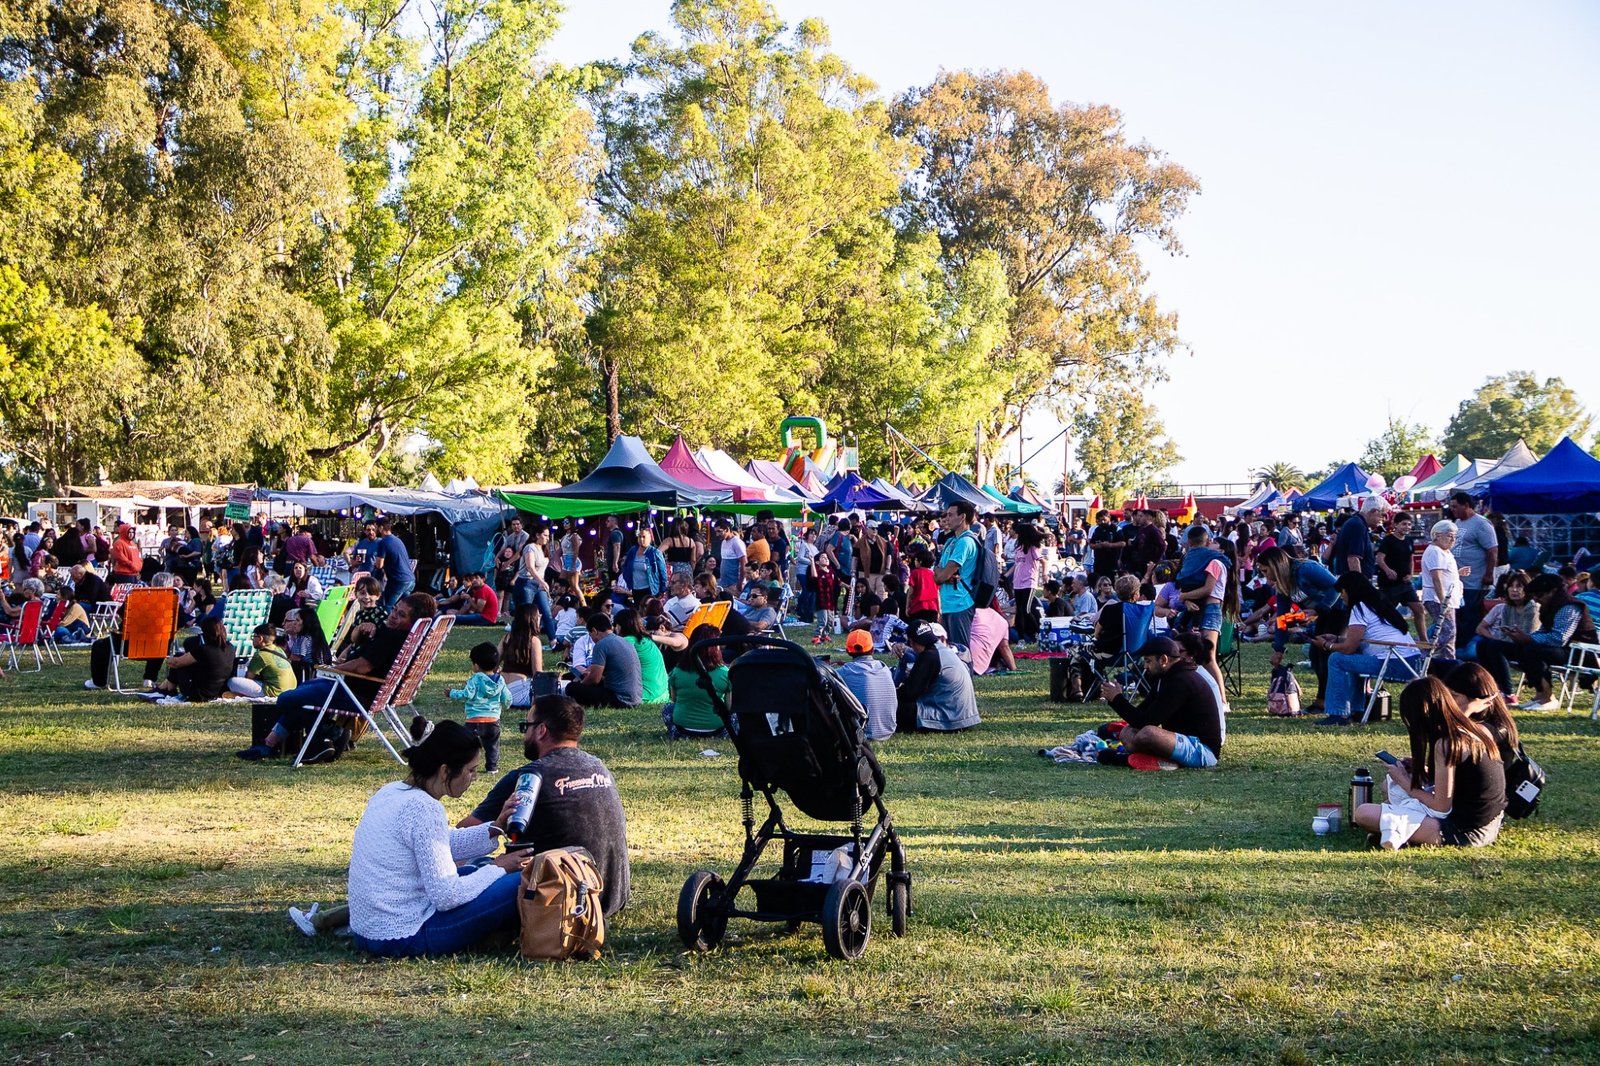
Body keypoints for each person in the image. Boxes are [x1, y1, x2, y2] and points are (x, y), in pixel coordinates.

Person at [346, 719, 527, 957]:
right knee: (521, 880)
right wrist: (499, 867)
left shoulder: (390, 791)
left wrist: (494, 828)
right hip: (403, 936)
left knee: (474, 873)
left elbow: (436, 844)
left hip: (368, 931)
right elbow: (447, 896)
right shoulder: (424, 807)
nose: (474, 778)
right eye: (470, 770)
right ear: (445, 771)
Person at [459, 695, 630, 917]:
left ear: (541, 730)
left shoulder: (528, 777)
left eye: (526, 726)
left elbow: (463, 834)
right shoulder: (599, 768)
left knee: (468, 864)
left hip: (560, 901)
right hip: (610, 897)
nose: (524, 735)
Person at [237, 593, 439, 761]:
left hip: (354, 692)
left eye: (401, 615)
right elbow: (358, 646)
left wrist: (334, 669)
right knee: (301, 694)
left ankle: (328, 734)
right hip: (367, 691)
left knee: (286, 699)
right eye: (395, 609)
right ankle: (270, 744)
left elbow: (362, 667)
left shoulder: (392, 637)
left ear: (413, 621)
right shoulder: (408, 637)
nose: (394, 615)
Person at [1351, 677, 1505, 849]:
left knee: (1363, 813)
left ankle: (1398, 833)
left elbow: (1441, 808)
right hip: (1490, 821)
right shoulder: (1475, 728)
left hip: (1467, 832)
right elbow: (1465, 781)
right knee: (1388, 787)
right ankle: (1398, 831)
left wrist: (1404, 780)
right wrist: (1423, 770)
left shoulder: (1447, 744)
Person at [1098, 635, 1224, 769]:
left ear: (1164, 660)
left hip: (1202, 751)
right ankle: (1158, 760)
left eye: (1148, 661)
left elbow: (1146, 722)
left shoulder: (1181, 681)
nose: (1145, 666)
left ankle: (1129, 759)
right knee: (1127, 732)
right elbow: (1141, 714)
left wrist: (1117, 699)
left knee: (1148, 733)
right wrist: (1115, 699)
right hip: (1184, 742)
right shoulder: (1166, 678)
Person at [1314, 573, 1422, 726]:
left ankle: (1338, 714)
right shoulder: (1377, 604)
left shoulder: (1359, 608)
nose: (1342, 597)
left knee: (1336, 659)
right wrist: (1337, 639)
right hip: (1411, 662)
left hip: (1394, 663)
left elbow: (1348, 648)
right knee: (1354, 656)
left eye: (1342, 592)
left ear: (1350, 591)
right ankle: (1357, 710)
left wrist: (1327, 646)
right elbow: (1361, 640)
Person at [1490, 572, 1598, 711]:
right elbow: (1543, 631)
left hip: (1579, 653)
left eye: (1539, 595)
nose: (1536, 599)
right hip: (1558, 650)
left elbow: (1558, 638)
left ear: (1552, 592)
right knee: (1491, 646)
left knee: (1533, 649)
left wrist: (1529, 639)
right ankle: (1512, 692)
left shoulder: (1570, 606)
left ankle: (1548, 698)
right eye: (1534, 596)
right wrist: (1521, 637)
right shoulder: (1550, 606)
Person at [1257, 546, 1342, 712]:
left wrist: (1319, 609)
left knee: (1324, 655)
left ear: (1275, 565)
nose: (1265, 576)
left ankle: (1324, 702)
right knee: (1315, 654)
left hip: (1341, 610)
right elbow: (1282, 618)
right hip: (1324, 614)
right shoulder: (1284, 585)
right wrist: (1278, 649)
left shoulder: (1306, 569)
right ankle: (1322, 701)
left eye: (1265, 571)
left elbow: (1337, 587)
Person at [894, 620, 980, 733]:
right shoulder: (941, 650)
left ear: (911, 641)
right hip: (965, 716)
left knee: (892, 707)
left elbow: (910, 693)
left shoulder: (929, 656)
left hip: (949, 718)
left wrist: (890, 695)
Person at [1471, 571, 1538, 698]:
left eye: (1519, 586)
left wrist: (1510, 635)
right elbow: (1501, 632)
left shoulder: (1532, 608)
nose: (1514, 590)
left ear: (1527, 589)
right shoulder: (1507, 607)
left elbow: (1528, 637)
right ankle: (1491, 687)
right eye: (1511, 586)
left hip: (1529, 648)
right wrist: (1506, 636)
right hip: (1510, 643)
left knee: (1495, 646)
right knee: (1482, 644)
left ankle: (1508, 692)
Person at [450, 642, 512, 773]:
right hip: (493, 721)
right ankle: (492, 768)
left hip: (474, 720)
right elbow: (506, 697)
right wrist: (507, 704)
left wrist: (452, 693)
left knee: (468, 745)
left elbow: (467, 694)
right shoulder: (500, 681)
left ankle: (466, 766)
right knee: (492, 745)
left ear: (476, 665)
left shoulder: (475, 679)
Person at [146, 616, 236, 703]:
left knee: (178, 659)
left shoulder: (204, 650)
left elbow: (176, 663)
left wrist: (169, 659)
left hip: (199, 693)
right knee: (185, 661)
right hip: (218, 691)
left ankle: (167, 689)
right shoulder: (230, 648)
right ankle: (165, 687)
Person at [1448, 492, 1499, 640]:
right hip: (1459, 581)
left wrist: (1489, 574)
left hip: (1474, 581)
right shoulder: (1458, 522)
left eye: (1455, 506)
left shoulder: (1481, 524)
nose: (1452, 509)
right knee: (1458, 616)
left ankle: (1470, 645)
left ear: (1466, 505)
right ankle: (1459, 644)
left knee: (1470, 617)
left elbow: (1492, 550)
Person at [665, 624, 729, 739]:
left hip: (682, 730)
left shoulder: (677, 671)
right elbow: (729, 707)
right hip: (717, 730)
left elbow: (674, 699)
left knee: (667, 708)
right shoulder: (725, 673)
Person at [565, 612, 642, 709]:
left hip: (620, 699)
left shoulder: (601, 645)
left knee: (571, 688)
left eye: (590, 635)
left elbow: (594, 679)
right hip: (636, 698)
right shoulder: (625, 641)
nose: (592, 639)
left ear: (594, 631)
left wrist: (581, 684)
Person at [934, 500, 981, 648]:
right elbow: (937, 573)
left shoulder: (965, 542)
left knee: (961, 651)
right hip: (948, 603)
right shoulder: (951, 541)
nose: (947, 518)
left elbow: (941, 576)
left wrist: (943, 575)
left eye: (951, 515)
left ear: (962, 517)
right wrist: (943, 575)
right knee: (949, 651)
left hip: (960, 603)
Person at [837, 629, 897, 741]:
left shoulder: (845, 671)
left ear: (848, 651)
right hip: (888, 730)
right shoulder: (884, 668)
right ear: (872, 649)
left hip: (862, 732)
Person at [1419, 519, 1465, 661]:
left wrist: (1458, 573)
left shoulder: (1444, 552)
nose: (1453, 540)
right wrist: (1443, 600)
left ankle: (1448, 661)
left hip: (1447, 598)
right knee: (1449, 631)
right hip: (1437, 598)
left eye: (1454, 537)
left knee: (1449, 633)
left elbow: (1444, 574)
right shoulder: (1435, 551)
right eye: (1450, 536)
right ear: (1437, 535)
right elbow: (1436, 578)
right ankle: (1423, 653)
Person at [1376, 512, 1425, 641]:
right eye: (1404, 524)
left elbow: (1411, 559)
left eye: (1409, 524)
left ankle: (1424, 640)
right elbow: (1380, 559)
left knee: (1419, 609)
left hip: (1405, 584)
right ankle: (1384, 638)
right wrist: (1387, 570)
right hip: (1389, 585)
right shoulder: (1388, 540)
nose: (1407, 527)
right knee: (1386, 614)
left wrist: (1410, 574)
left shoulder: (1409, 540)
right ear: (1395, 525)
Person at [613, 608, 668, 704]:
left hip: (645, 696)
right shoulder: (647, 640)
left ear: (619, 626)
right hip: (663, 695)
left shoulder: (626, 641)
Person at [228, 624, 297, 699]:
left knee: (232, 681)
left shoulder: (260, 655)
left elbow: (249, 677)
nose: (253, 639)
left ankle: (241, 694)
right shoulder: (279, 650)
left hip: (275, 692)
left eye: (254, 636)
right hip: (291, 690)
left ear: (260, 638)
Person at [1332, 498, 1386, 579]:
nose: (1382, 519)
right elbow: (1353, 558)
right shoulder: (1358, 526)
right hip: (1351, 581)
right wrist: (1360, 583)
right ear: (1374, 511)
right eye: (1381, 515)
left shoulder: (1357, 523)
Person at [1010, 523, 1043, 642]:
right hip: (1017, 582)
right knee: (1019, 611)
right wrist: (1006, 575)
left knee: (1026, 609)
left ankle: (1038, 632)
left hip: (1029, 581)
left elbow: (1043, 561)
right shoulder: (1019, 548)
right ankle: (1021, 638)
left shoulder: (1033, 548)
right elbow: (1016, 564)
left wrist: (1044, 574)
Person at [373, 519, 415, 610]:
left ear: (381, 528)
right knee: (406, 608)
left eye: (375, 527)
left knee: (387, 607)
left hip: (398, 580)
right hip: (409, 579)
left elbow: (379, 565)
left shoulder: (383, 542)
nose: (375, 530)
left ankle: (387, 619)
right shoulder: (397, 540)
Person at [618, 527, 668, 603]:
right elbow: (626, 566)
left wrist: (662, 589)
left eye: (644, 537)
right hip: (635, 589)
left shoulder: (655, 553)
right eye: (639, 537)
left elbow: (663, 572)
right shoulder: (633, 551)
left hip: (650, 589)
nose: (641, 539)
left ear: (650, 538)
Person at [966, 604, 1017, 676]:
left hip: (964, 662)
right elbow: (1005, 647)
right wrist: (1014, 669)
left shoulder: (972, 611)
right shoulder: (1003, 621)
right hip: (980, 668)